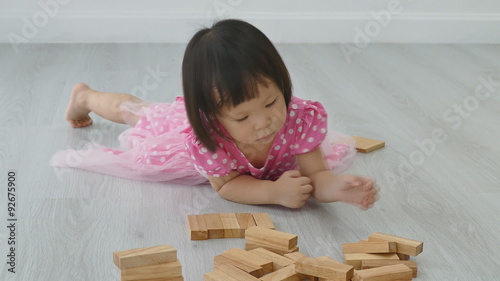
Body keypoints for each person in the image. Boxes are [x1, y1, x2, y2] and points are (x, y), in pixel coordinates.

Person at [52, 19, 378, 209]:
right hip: (185, 134)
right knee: (138, 112)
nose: (263, 122)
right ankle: (86, 96)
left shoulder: (298, 120)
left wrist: (335, 188)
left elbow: (316, 174)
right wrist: (271, 192)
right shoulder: (208, 139)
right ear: (214, 117)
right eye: (243, 117)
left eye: (270, 103)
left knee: (143, 110)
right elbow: (226, 186)